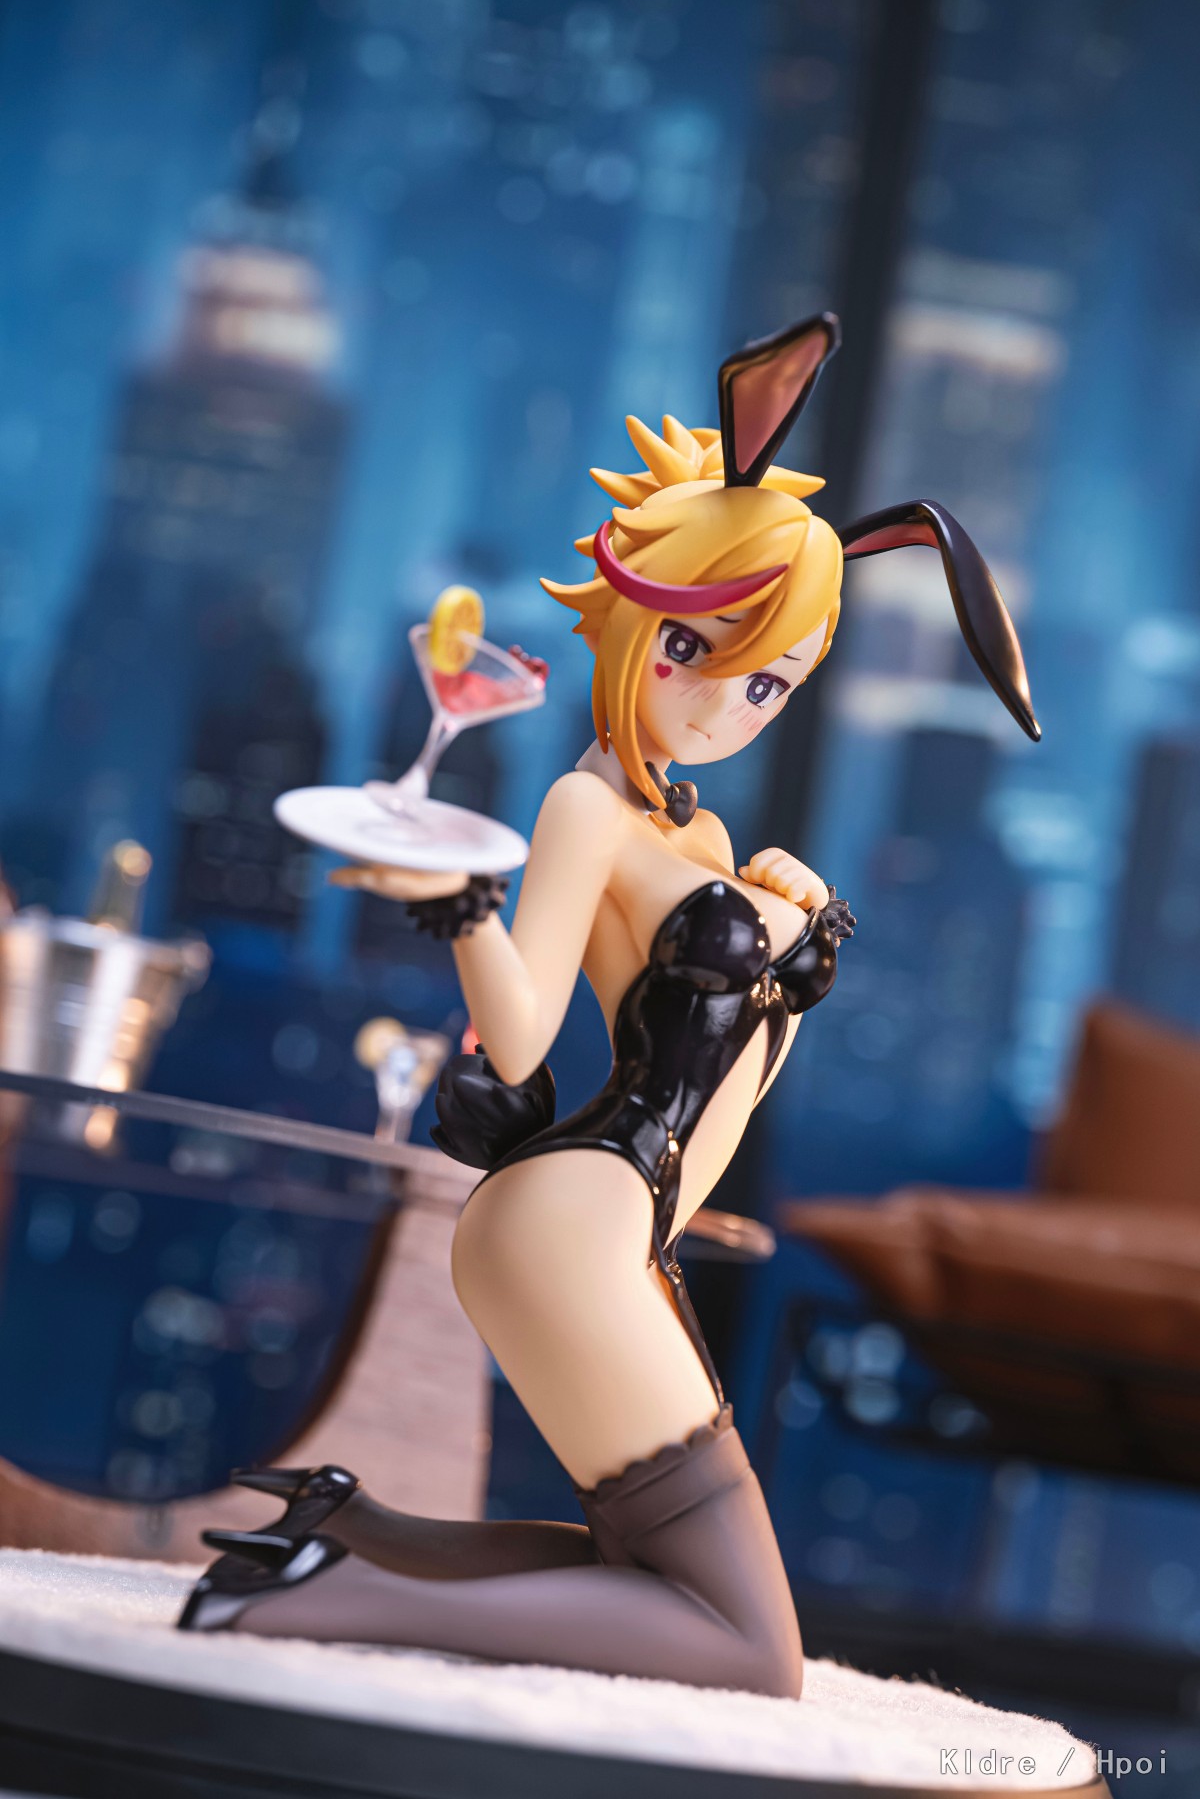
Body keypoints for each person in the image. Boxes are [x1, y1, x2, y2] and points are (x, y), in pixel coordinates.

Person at [179, 316, 1038, 1698]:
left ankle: (349, 1537)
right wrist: (463, 908)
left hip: (625, 1225)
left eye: (771, 682)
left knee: (663, 1568)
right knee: (754, 1653)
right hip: (573, 1215)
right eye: (697, 649)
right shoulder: (585, 805)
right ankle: (317, 1600)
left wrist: (788, 927)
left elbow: (734, 1069)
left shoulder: (700, 837)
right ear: (636, 622)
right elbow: (520, 1037)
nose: (727, 706)